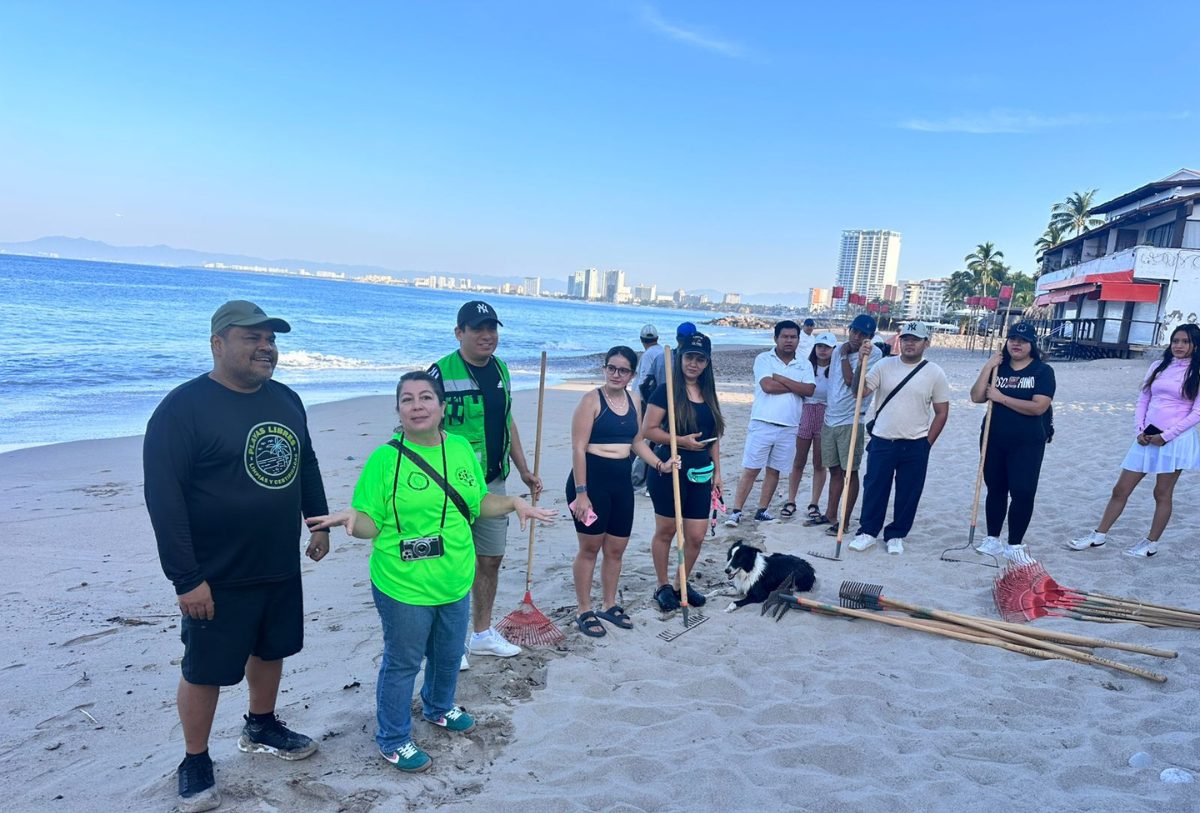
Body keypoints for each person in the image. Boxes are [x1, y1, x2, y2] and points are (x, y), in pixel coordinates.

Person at [305, 372, 554, 773]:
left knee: (447, 652)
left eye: (425, 397)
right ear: (398, 410)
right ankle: (394, 738)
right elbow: (371, 524)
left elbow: (476, 503)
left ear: (441, 407)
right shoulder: (384, 460)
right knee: (403, 661)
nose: (417, 405)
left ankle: (439, 707)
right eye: (407, 399)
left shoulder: (459, 449)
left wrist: (513, 504)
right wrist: (354, 520)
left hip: (455, 574)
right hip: (402, 582)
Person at [144, 300, 331, 813]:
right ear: (218, 343)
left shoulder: (288, 399)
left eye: (271, 339)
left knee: (271, 649)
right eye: (252, 337)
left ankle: (262, 724)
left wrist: (317, 523)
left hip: (276, 561)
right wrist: (186, 578)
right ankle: (195, 757)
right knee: (204, 668)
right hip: (215, 572)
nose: (266, 347)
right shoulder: (182, 409)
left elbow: (305, 462)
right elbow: (164, 499)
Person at [428, 301, 542, 666]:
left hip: (492, 483)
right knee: (450, 563)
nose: (486, 335)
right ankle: (447, 643)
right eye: (477, 328)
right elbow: (418, 427)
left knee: (490, 559)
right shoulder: (438, 374)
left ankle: (480, 635)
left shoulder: (501, 370)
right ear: (458, 332)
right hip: (448, 486)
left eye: (491, 328)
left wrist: (523, 469)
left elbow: (508, 422)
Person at [568, 347, 679, 636]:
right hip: (590, 482)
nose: (616, 374)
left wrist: (659, 464)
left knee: (616, 549)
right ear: (604, 369)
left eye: (623, 370)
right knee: (590, 548)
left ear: (632, 374)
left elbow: (637, 441)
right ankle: (583, 609)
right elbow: (578, 448)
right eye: (611, 368)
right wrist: (581, 493)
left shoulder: (635, 400)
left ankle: (608, 603)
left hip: (621, 481)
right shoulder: (591, 400)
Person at [1068, 323, 1200, 558]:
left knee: (1162, 493)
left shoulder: (1196, 372)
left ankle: (1151, 542)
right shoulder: (1158, 366)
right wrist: (1139, 430)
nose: (1179, 346)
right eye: (1175, 340)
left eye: (1185, 342)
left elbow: (1196, 413)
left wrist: (1166, 436)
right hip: (1147, 435)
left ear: (1195, 345)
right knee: (1120, 489)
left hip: (1175, 440)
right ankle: (1099, 535)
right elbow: (1143, 400)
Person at [847, 321, 950, 555]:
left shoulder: (934, 372)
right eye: (906, 339)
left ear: (926, 343)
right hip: (883, 439)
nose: (910, 343)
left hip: (915, 443)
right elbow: (858, 392)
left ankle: (896, 534)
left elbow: (942, 412)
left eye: (915, 339)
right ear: (899, 341)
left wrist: (927, 443)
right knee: (875, 488)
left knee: (909, 492)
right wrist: (860, 364)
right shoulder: (884, 365)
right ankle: (868, 532)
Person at [642, 332, 725, 612]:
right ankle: (663, 585)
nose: (694, 363)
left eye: (700, 359)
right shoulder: (665, 391)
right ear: (680, 358)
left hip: (701, 470)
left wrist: (718, 473)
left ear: (707, 363)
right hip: (670, 467)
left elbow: (714, 438)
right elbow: (648, 430)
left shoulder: (709, 393)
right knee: (666, 530)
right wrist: (681, 441)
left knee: (696, 535)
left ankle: (681, 582)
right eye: (689, 357)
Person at [970, 322, 1056, 565]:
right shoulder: (999, 369)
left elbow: (1039, 406)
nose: (1017, 344)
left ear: (1032, 344)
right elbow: (976, 396)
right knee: (995, 489)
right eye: (1013, 339)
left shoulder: (1042, 371)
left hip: (1027, 442)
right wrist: (988, 366)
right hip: (993, 437)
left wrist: (1001, 398)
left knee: (1023, 492)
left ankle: (1015, 544)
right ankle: (992, 538)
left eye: (1023, 340)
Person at [726, 320, 815, 525]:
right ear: (775, 338)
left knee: (774, 470)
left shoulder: (804, 363)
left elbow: (809, 390)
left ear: (798, 340)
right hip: (762, 422)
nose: (789, 341)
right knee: (751, 468)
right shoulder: (764, 358)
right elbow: (767, 386)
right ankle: (736, 511)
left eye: (793, 337)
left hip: (790, 426)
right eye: (785, 336)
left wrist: (781, 378)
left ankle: (762, 510)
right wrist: (796, 385)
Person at [820, 314, 883, 537]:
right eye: (854, 331)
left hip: (851, 419)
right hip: (831, 417)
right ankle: (830, 514)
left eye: (862, 334)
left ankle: (844, 521)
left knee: (849, 471)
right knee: (834, 469)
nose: (856, 337)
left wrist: (848, 357)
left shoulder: (873, 354)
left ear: (870, 337)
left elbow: (853, 385)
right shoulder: (839, 349)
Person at [787, 331, 837, 524]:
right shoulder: (806, 366)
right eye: (819, 346)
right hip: (806, 411)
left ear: (833, 349)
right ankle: (791, 500)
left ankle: (814, 503)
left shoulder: (835, 370)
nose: (822, 350)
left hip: (825, 414)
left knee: (819, 462)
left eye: (826, 347)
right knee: (798, 460)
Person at [631, 325, 666, 489]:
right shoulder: (664, 353)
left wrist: (637, 402)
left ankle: (638, 478)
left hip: (647, 402)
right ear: (657, 339)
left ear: (642, 340)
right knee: (653, 440)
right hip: (661, 402)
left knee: (641, 439)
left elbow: (643, 381)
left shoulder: (648, 355)